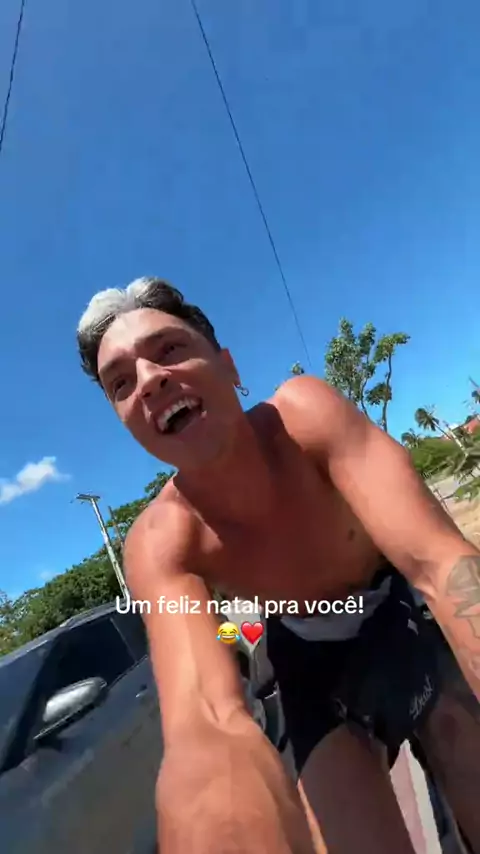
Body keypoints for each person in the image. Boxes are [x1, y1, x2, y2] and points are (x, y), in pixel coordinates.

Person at [77, 277, 480, 854]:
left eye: (169, 349)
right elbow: (206, 721)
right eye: (120, 382)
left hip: (397, 607)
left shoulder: (304, 415)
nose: (148, 380)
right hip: (307, 660)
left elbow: (441, 563)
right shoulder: (160, 540)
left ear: (229, 366)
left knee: (463, 747)